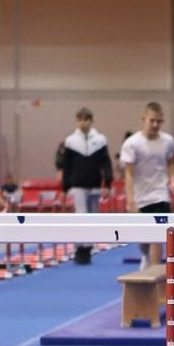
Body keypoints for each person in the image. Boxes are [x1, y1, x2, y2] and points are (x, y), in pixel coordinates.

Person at [119, 102, 174, 267]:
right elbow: (128, 173)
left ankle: (154, 272)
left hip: (160, 194)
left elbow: (170, 162)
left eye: (159, 122)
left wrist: (172, 180)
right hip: (141, 196)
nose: (155, 125)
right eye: (152, 121)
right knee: (144, 239)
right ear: (143, 119)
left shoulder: (168, 141)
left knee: (158, 235)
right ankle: (146, 255)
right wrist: (131, 200)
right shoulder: (132, 143)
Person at [59, 107, 112, 264]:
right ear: (77, 121)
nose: (83, 123)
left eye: (86, 120)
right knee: (81, 215)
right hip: (77, 185)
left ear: (91, 121)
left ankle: (88, 247)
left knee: (93, 217)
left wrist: (107, 183)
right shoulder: (70, 142)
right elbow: (66, 166)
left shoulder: (100, 140)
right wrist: (64, 188)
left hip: (94, 184)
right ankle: (80, 248)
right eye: (80, 120)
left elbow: (106, 163)